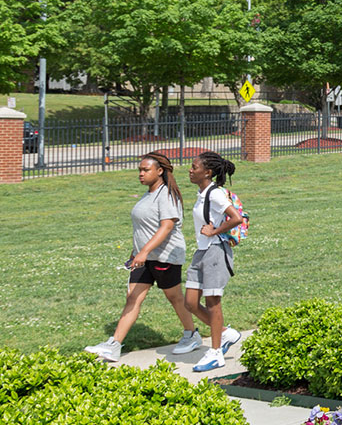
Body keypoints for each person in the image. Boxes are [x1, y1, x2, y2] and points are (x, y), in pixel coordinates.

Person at [86, 153, 197, 363]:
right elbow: (144, 228)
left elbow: (166, 227)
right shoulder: (148, 194)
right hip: (144, 257)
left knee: (174, 297)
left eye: (146, 170)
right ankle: (114, 345)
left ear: (160, 171)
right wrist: (136, 252)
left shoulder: (167, 195)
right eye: (140, 170)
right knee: (133, 297)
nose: (141, 174)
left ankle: (191, 334)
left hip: (165, 256)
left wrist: (144, 251)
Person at [184, 150, 244, 373]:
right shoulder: (202, 193)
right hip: (201, 252)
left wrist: (214, 231)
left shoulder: (215, 194)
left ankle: (216, 352)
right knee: (190, 303)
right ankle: (225, 333)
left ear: (207, 172)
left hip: (215, 252)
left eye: (194, 167)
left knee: (212, 302)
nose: (190, 170)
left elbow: (236, 218)